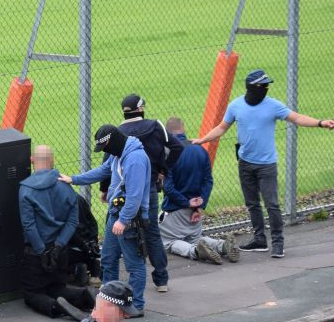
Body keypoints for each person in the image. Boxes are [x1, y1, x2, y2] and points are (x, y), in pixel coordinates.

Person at [193, 69, 334, 258]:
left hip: (267, 165)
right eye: (263, 85)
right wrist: (203, 140)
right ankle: (260, 240)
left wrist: (320, 122)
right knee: (252, 204)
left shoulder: (273, 105)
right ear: (252, 87)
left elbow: (297, 118)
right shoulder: (236, 106)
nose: (266, 88)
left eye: (267, 85)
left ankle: (278, 244)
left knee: (272, 205)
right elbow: (221, 128)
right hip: (245, 163)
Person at [59, 125, 151, 317]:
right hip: (117, 214)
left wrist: (123, 221)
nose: (106, 152)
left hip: (129, 219)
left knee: (134, 264)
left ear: (113, 142)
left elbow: (134, 196)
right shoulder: (118, 154)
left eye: (106, 147)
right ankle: (109, 303)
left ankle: (136, 306)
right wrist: (73, 179)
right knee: (108, 260)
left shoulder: (135, 160)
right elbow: (103, 170)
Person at [110, 94, 183, 292]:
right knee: (152, 233)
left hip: (125, 190)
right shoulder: (156, 125)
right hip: (149, 186)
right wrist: (162, 170)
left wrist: (103, 189)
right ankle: (161, 280)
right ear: (141, 108)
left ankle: (132, 277)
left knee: (124, 232)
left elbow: (108, 163)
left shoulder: (119, 132)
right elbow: (176, 147)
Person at [18, 145, 95, 321]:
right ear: (52, 161)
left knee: (32, 293)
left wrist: (42, 251)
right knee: (57, 287)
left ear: (32, 160)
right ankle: (83, 296)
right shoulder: (66, 187)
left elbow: (29, 225)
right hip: (61, 253)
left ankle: (55, 306)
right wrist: (59, 246)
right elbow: (72, 221)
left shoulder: (25, 189)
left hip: (36, 255)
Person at [160, 117, 239, 265]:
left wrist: (187, 203)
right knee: (194, 237)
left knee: (167, 242)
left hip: (175, 211)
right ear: (183, 130)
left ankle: (195, 251)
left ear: (168, 134)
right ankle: (222, 245)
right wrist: (199, 206)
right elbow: (208, 181)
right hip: (195, 214)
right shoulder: (200, 150)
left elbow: (168, 187)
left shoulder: (168, 153)